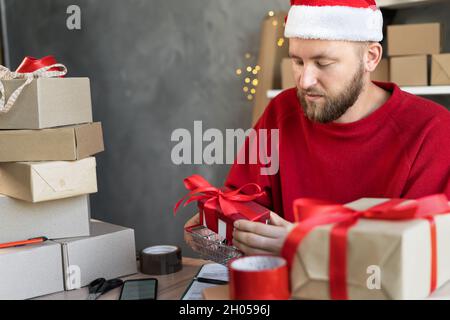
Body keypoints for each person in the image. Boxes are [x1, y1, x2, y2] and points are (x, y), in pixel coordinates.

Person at [185, 0, 450, 257]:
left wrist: (307, 248)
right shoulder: (281, 112)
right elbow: (244, 203)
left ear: (370, 57)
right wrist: (219, 225)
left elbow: (425, 255)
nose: (304, 80)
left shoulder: (433, 131)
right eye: (297, 61)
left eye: (323, 63)